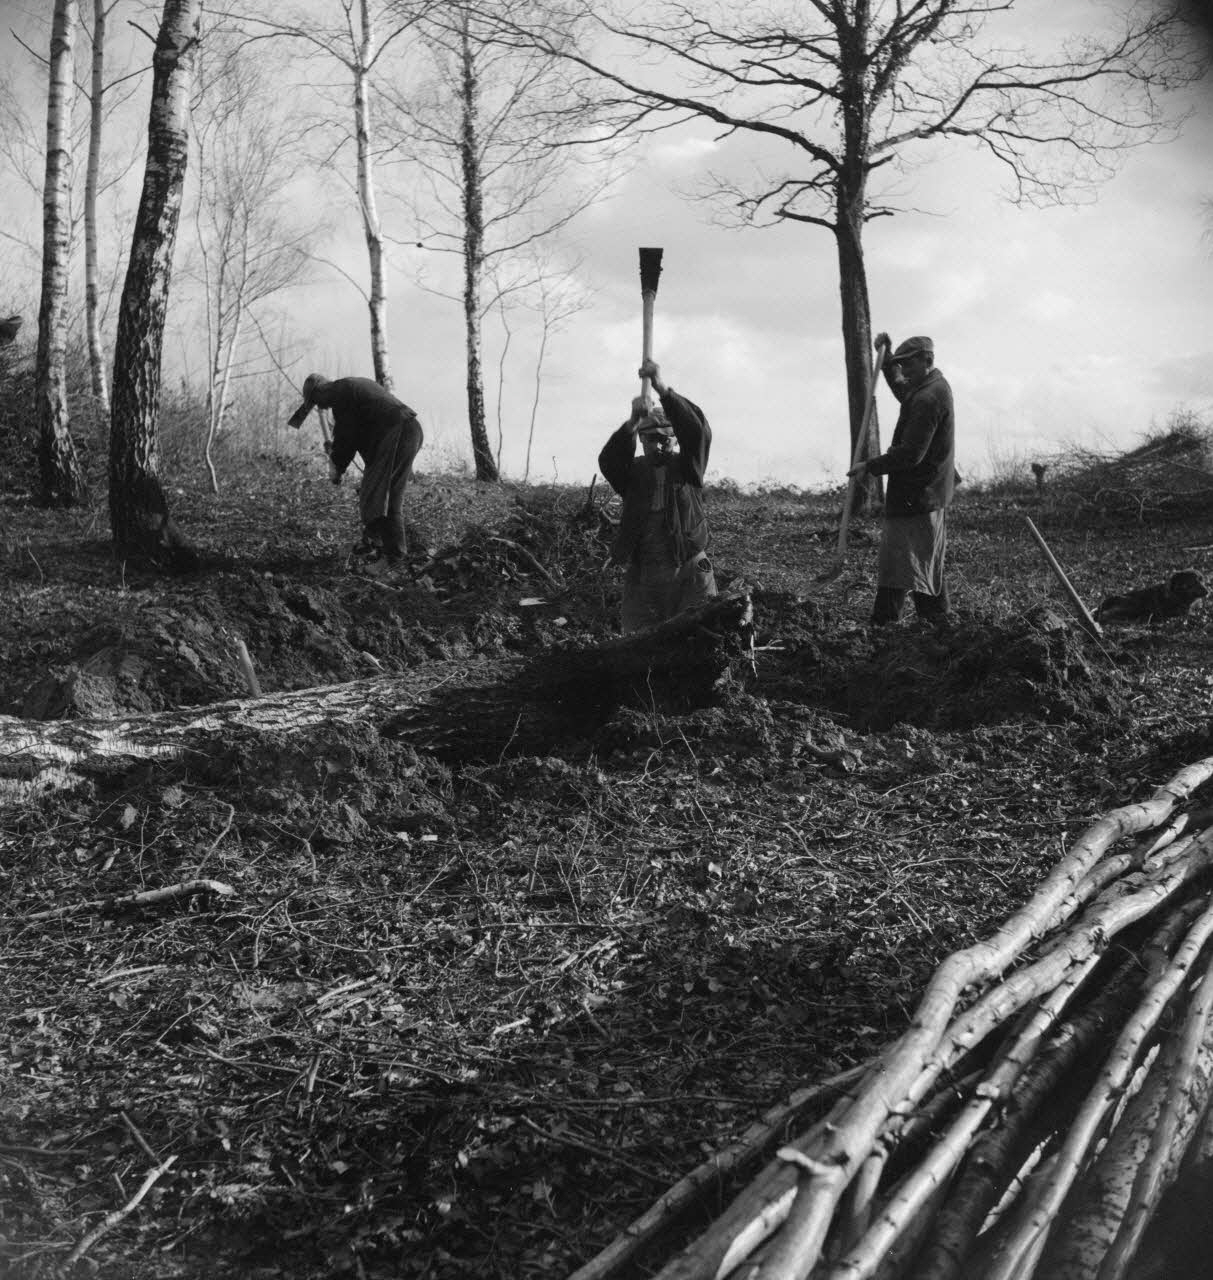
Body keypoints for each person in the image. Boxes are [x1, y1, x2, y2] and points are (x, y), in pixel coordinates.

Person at [598, 357, 717, 633]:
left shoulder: (689, 469)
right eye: (651, 438)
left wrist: (662, 388)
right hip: (646, 573)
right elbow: (609, 461)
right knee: (639, 640)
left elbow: (697, 432)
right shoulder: (632, 474)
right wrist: (632, 422)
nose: (659, 445)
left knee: (704, 633)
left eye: (666, 438)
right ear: (641, 440)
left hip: (691, 567)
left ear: (675, 440)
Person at [848, 334, 955, 625]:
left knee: (906, 562)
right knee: (917, 562)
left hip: (919, 495)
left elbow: (910, 454)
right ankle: (930, 625)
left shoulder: (929, 398)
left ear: (927, 360)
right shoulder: (928, 387)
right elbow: (903, 389)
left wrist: (869, 466)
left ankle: (893, 624)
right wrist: (887, 362)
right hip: (924, 493)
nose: (904, 371)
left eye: (909, 364)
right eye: (901, 365)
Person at [287, 373, 424, 573]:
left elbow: (346, 438)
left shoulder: (342, 392)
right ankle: (375, 545)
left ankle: (394, 561)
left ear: (320, 392)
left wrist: (337, 466)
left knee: (383, 496)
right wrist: (337, 454)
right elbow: (359, 437)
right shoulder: (352, 391)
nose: (321, 408)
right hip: (407, 431)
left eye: (318, 402)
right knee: (374, 492)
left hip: (398, 432)